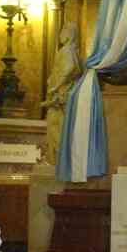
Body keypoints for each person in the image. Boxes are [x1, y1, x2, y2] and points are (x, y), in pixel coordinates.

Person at [40, 22, 81, 165]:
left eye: (63, 30)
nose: (60, 34)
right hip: (63, 96)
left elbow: (69, 68)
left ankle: (55, 160)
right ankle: (57, 159)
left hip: (59, 97)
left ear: (70, 34)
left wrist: (56, 86)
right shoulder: (72, 51)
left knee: (55, 127)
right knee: (60, 127)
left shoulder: (66, 51)